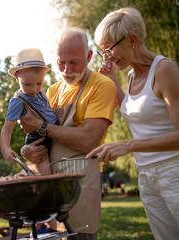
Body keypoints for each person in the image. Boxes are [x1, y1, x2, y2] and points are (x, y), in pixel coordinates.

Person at [88, 7, 179, 240]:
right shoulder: (130, 76)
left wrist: (128, 146)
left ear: (132, 40)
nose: (106, 57)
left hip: (176, 172)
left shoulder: (164, 70)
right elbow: (132, 111)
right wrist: (113, 81)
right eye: (102, 51)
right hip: (147, 176)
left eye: (109, 49)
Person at [20, 27, 117, 239]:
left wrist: (42, 126)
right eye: (60, 62)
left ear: (89, 56)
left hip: (81, 187)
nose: (66, 69)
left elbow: (89, 140)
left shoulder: (102, 86)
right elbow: (36, 135)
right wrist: (28, 151)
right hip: (51, 186)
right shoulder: (51, 91)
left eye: (74, 62)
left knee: (79, 234)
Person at [0, 48, 57, 175]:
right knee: (47, 177)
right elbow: (7, 128)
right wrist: (5, 148)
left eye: (39, 83)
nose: (34, 89)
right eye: (27, 84)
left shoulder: (41, 92)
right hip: (37, 141)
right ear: (16, 77)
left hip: (53, 134)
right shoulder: (18, 101)